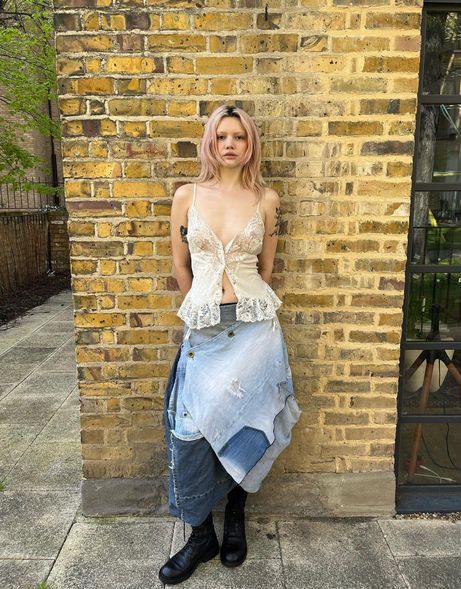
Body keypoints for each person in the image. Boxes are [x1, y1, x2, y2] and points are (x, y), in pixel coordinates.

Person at [159, 104, 301, 585]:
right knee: (189, 429)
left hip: (255, 328)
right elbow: (181, 266)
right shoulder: (186, 196)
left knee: (248, 422)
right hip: (204, 328)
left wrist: (237, 304)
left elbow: (266, 271)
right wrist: (202, 306)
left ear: (250, 144)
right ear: (210, 143)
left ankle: (236, 515)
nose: (229, 144)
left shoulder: (266, 199)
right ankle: (201, 535)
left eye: (239, 136)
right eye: (221, 136)